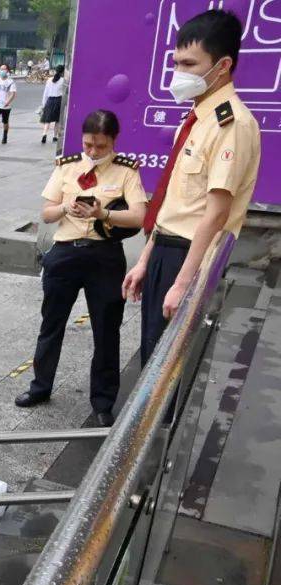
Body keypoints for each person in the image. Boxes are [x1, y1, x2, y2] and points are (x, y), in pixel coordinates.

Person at [123, 9, 262, 367]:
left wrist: (183, 283)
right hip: (166, 250)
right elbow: (173, 201)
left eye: (189, 64)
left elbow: (215, 214)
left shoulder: (231, 124)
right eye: (176, 63)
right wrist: (144, 260)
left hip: (189, 258)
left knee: (168, 370)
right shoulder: (197, 117)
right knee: (153, 357)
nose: (178, 74)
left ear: (223, 65)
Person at [17, 111, 147, 427]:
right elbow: (47, 213)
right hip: (65, 253)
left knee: (106, 332)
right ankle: (40, 387)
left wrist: (104, 214)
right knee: (51, 324)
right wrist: (66, 206)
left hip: (104, 258)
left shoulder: (126, 171)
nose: (92, 151)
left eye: (100, 146)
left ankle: (103, 402)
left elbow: (139, 217)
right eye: (88, 144)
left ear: (113, 141)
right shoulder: (67, 166)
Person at [0, 64, 16, 147]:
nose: (2, 71)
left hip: (6, 105)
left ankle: (5, 136)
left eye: (4, 69)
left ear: (7, 71)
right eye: (1, 69)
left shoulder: (11, 82)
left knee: (5, 122)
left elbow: (13, 94)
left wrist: (7, 102)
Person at [39, 65, 66, 144]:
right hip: (59, 101)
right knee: (57, 120)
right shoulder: (63, 80)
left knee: (47, 120)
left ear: (55, 70)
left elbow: (45, 93)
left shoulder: (49, 80)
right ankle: (55, 136)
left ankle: (44, 134)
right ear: (62, 72)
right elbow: (64, 93)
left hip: (50, 101)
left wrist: (43, 104)